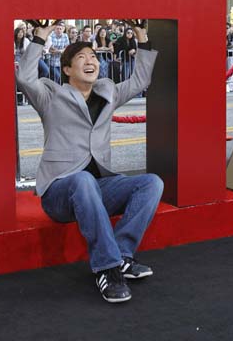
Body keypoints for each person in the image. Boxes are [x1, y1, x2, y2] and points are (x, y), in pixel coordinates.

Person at [16, 22, 163, 304]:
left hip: (98, 188)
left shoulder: (108, 92)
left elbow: (140, 80)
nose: (91, 61)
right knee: (82, 180)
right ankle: (107, 268)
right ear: (67, 69)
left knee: (151, 183)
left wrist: (142, 36)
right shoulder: (51, 95)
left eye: (93, 57)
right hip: (60, 194)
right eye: (82, 57)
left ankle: (121, 255)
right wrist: (40, 36)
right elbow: (24, 78)